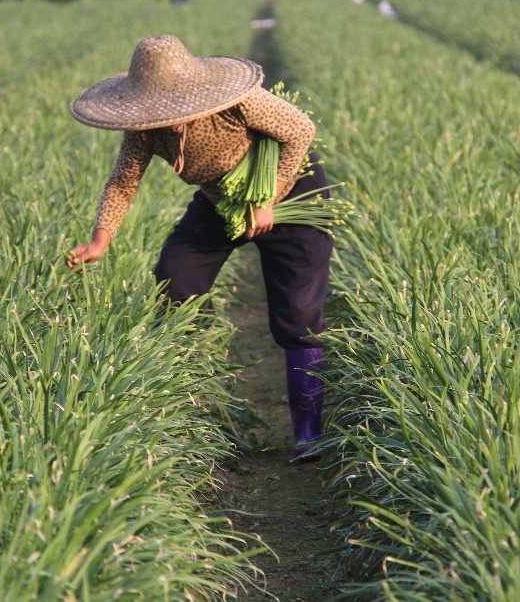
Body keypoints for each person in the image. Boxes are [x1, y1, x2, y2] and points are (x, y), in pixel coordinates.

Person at [66, 35, 333, 460]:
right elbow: (123, 180)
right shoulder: (145, 129)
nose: (167, 117)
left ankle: (310, 433)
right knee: (176, 282)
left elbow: (301, 129)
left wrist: (267, 198)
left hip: (294, 194)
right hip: (220, 199)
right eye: (157, 106)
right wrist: (101, 239)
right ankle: (195, 402)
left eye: (174, 104)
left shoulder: (238, 102)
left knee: (298, 316)